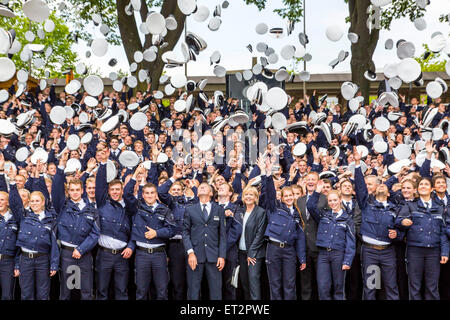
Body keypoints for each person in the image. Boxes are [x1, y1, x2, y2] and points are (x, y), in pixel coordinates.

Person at [354, 147, 402, 300]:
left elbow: (402, 230)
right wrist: (357, 163)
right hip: (370, 252)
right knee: (371, 287)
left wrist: (398, 234)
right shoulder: (367, 204)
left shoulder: (396, 209)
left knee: (391, 287)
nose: (382, 185)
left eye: (384, 185)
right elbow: (361, 188)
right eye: (379, 184)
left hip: (388, 252)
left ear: (389, 193)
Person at [52, 149, 100, 300]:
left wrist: (81, 249)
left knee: (86, 291)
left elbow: (95, 233)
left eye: (77, 190)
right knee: (66, 291)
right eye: (71, 190)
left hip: (84, 254)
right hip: (66, 254)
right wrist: (61, 166)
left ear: (82, 190)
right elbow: (56, 189)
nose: (74, 193)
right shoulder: (63, 205)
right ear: (69, 191)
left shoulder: (91, 209)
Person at [124, 164, 175, 300]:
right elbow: (127, 194)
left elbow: (171, 230)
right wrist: (135, 175)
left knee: (162, 290)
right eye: (147, 193)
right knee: (141, 290)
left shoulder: (164, 209)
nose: (150, 195)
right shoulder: (137, 207)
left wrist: (157, 233)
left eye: (152, 193)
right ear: (143, 194)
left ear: (156, 194)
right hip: (141, 255)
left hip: (159, 254)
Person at [8, 168, 59, 300]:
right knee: (26, 293)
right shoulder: (24, 216)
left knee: (43, 293)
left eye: (37, 201)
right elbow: (14, 203)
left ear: (43, 202)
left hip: (43, 259)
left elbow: (53, 243)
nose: (34, 203)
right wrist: (13, 183)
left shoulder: (50, 219)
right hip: (25, 260)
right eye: (32, 201)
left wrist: (54, 263)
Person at [395, 176, 449, 300]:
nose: (423, 186)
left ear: (432, 189)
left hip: (434, 251)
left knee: (432, 286)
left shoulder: (440, 208)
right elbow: (398, 220)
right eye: (421, 185)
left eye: (426, 184)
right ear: (417, 189)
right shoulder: (410, 206)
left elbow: (443, 232)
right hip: (415, 251)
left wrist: (445, 252)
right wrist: (403, 221)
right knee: (415, 286)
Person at [260, 157, 306, 300]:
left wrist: (302, 258)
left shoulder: (298, 213)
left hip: (289, 251)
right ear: (281, 198)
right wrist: (267, 173)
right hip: (273, 249)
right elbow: (268, 193)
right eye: (285, 196)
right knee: (275, 285)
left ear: (294, 196)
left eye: (290, 195)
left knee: (289, 285)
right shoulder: (275, 208)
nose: (288, 198)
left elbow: (300, 239)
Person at [95, 147, 134, 300]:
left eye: (118, 189)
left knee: (122, 291)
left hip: (122, 256)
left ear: (122, 190)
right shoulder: (102, 203)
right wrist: (103, 163)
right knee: (102, 291)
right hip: (104, 254)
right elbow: (100, 185)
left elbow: (135, 229)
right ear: (109, 191)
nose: (116, 192)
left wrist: (131, 246)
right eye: (113, 190)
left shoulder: (129, 207)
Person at [307, 180, 356, 300]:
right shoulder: (324, 215)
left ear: (340, 200)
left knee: (339, 287)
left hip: (338, 254)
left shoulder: (347, 219)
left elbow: (351, 242)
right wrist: (317, 192)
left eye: (335, 200)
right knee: (323, 287)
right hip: (323, 254)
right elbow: (310, 206)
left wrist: (347, 261)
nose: (333, 203)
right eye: (330, 200)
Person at [182, 182, 227, 300]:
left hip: (214, 257)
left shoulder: (219, 210)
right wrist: (190, 253)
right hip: (195, 256)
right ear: (197, 193)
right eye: (200, 186)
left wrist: (222, 256)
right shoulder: (190, 210)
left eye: (205, 186)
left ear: (211, 193)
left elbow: (222, 235)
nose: (202, 186)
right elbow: (185, 233)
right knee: (193, 291)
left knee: (216, 291)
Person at [297, 171, 327, 300]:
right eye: (308, 179)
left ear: (318, 182)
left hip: (319, 247)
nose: (310, 182)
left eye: (313, 179)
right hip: (304, 247)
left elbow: (323, 220)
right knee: (305, 284)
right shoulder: (299, 200)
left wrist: (317, 194)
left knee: (321, 283)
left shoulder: (325, 199)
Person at [238, 186, 267, 300]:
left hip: (254, 255)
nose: (248, 197)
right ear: (243, 197)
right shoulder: (239, 211)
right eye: (246, 194)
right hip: (241, 253)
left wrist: (251, 253)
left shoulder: (261, 212)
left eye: (251, 195)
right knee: (244, 284)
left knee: (254, 284)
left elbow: (260, 235)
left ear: (256, 197)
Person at [216, 182, 243, 300]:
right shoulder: (211, 206)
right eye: (219, 186)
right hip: (212, 251)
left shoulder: (236, 208)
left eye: (224, 186)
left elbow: (236, 231)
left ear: (230, 193)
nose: (220, 186)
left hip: (229, 252)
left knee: (229, 287)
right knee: (213, 286)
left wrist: (221, 249)